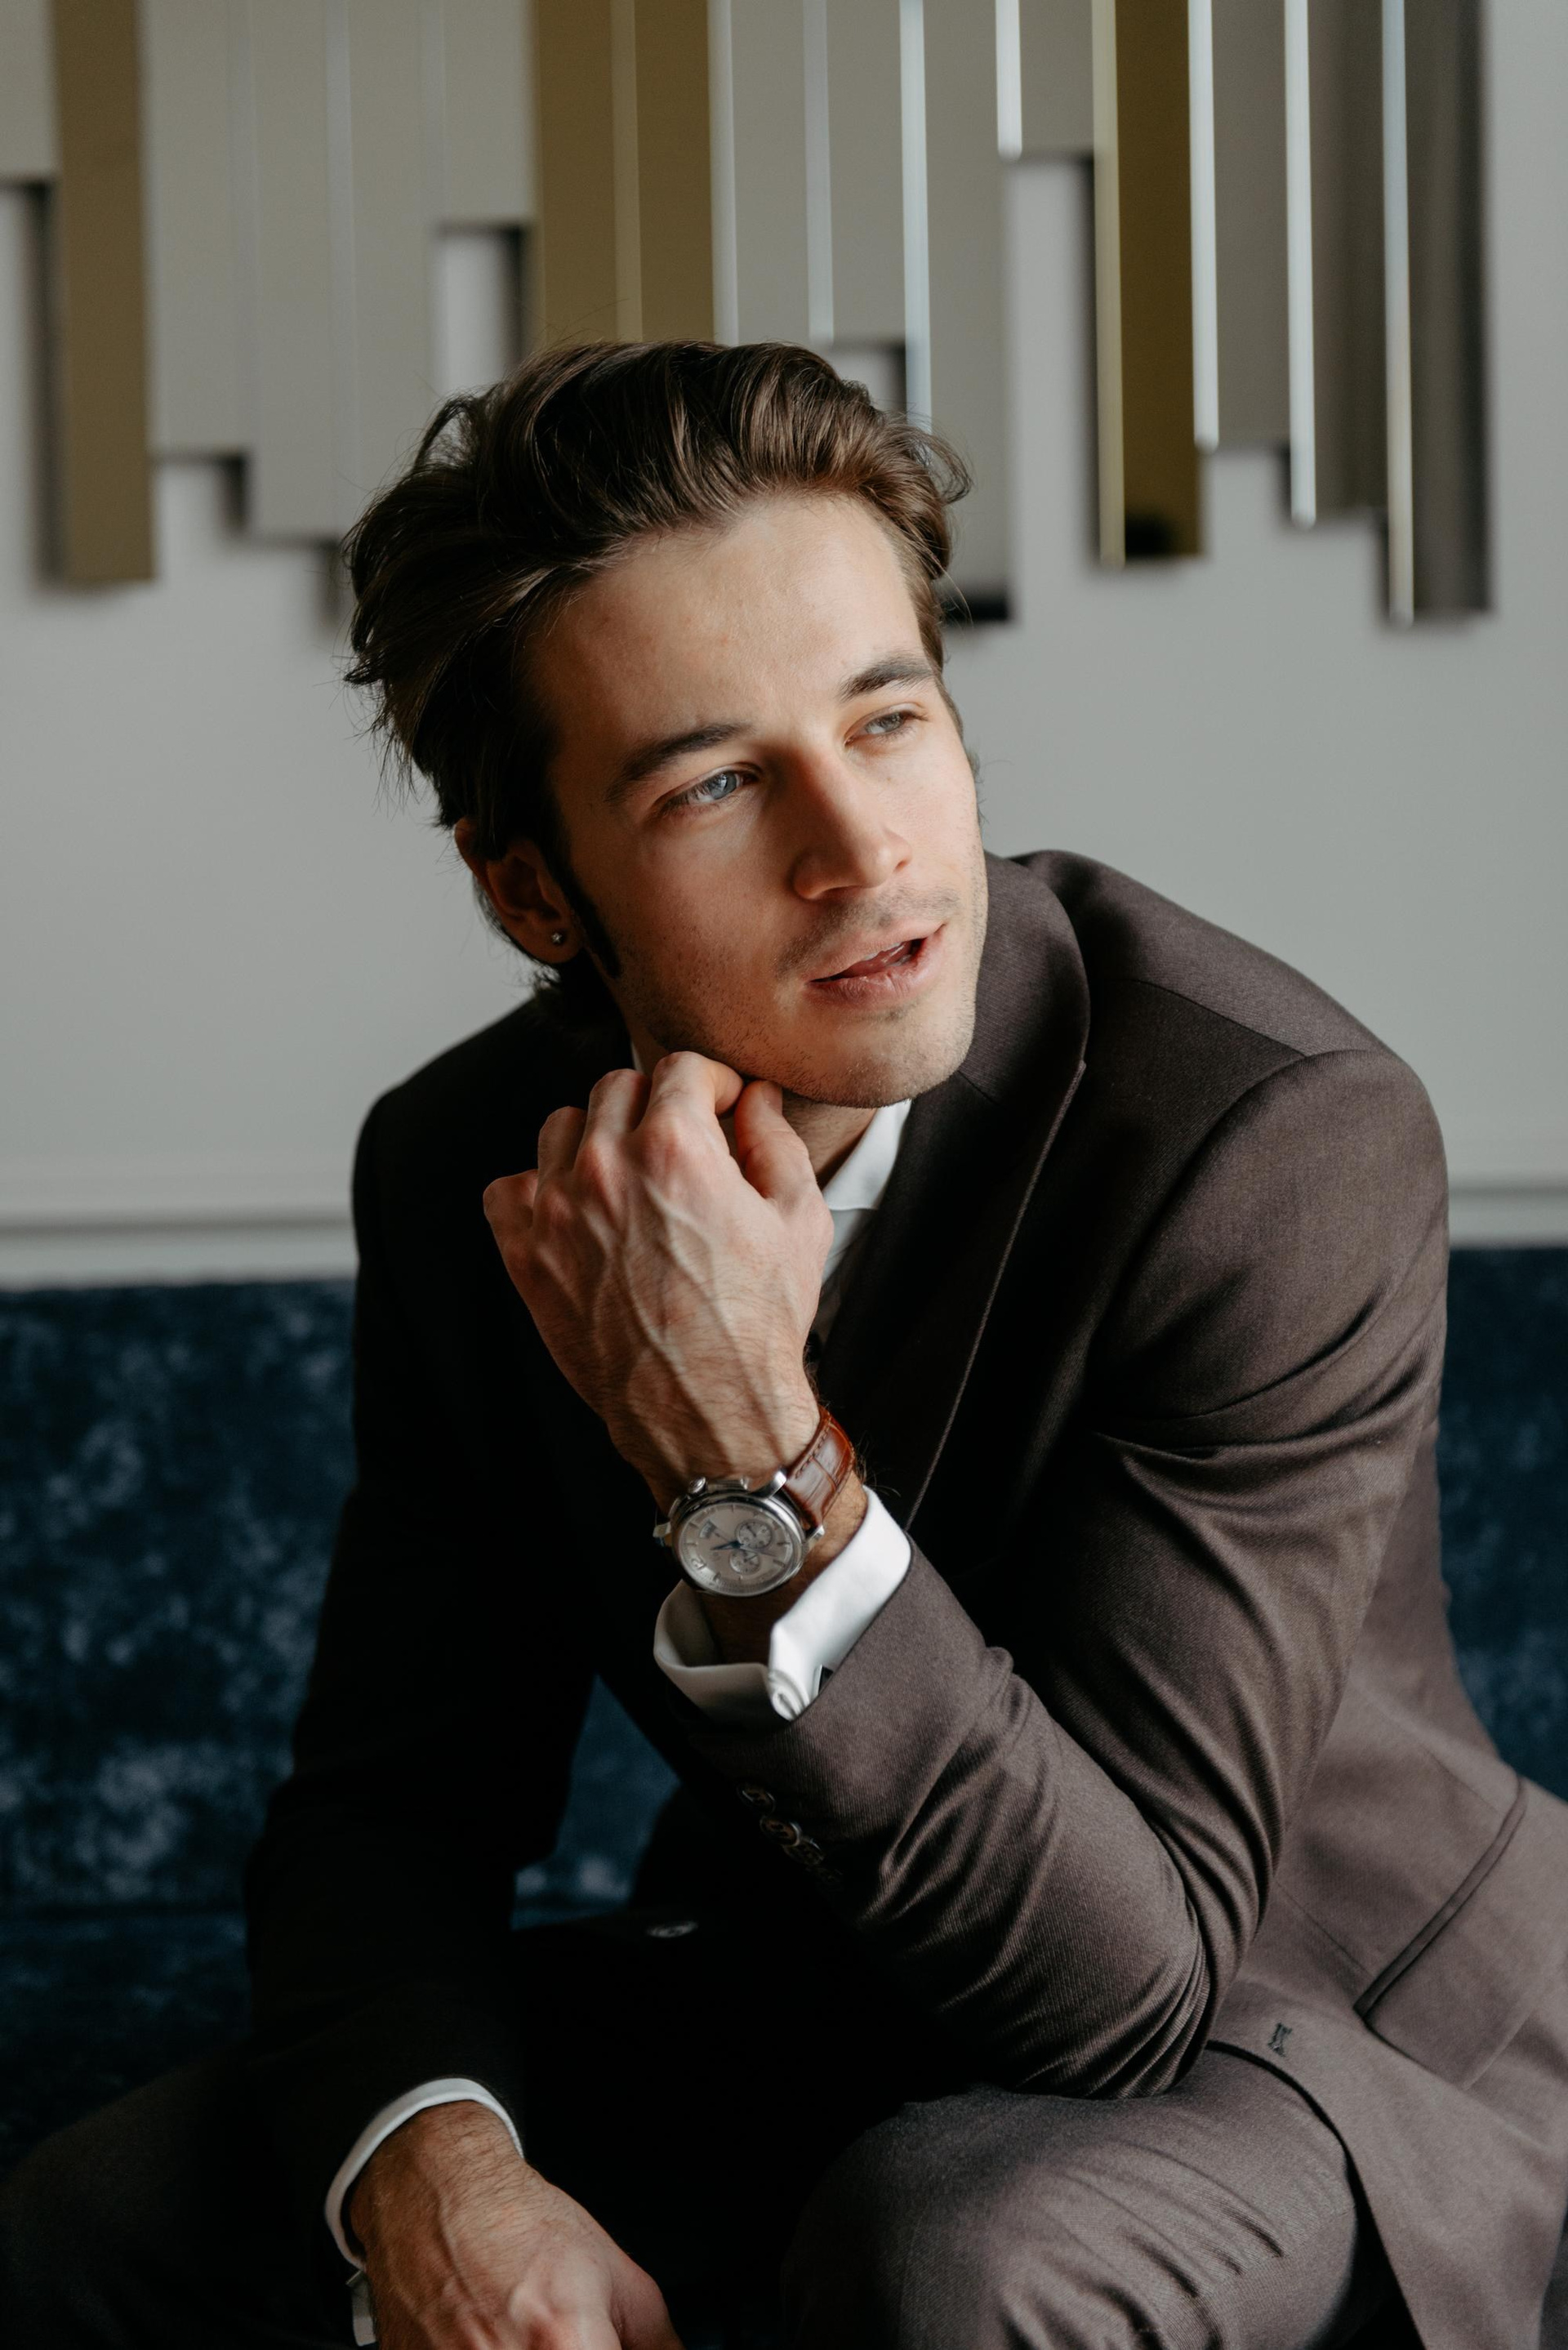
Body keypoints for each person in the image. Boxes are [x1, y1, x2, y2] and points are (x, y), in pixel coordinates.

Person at [2, 340, 1566, 2350]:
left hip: (1308, 2025)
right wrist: (440, 2166)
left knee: (951, 2257)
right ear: (530, 889)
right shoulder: (474, 1167)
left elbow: (1128, 1993)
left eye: (890, 718)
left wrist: (747, 1447)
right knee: (100, 2220)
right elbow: (394, 1801)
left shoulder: (1270, 1138)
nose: (863, 850)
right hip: (813, 1976)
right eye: (719, 783)